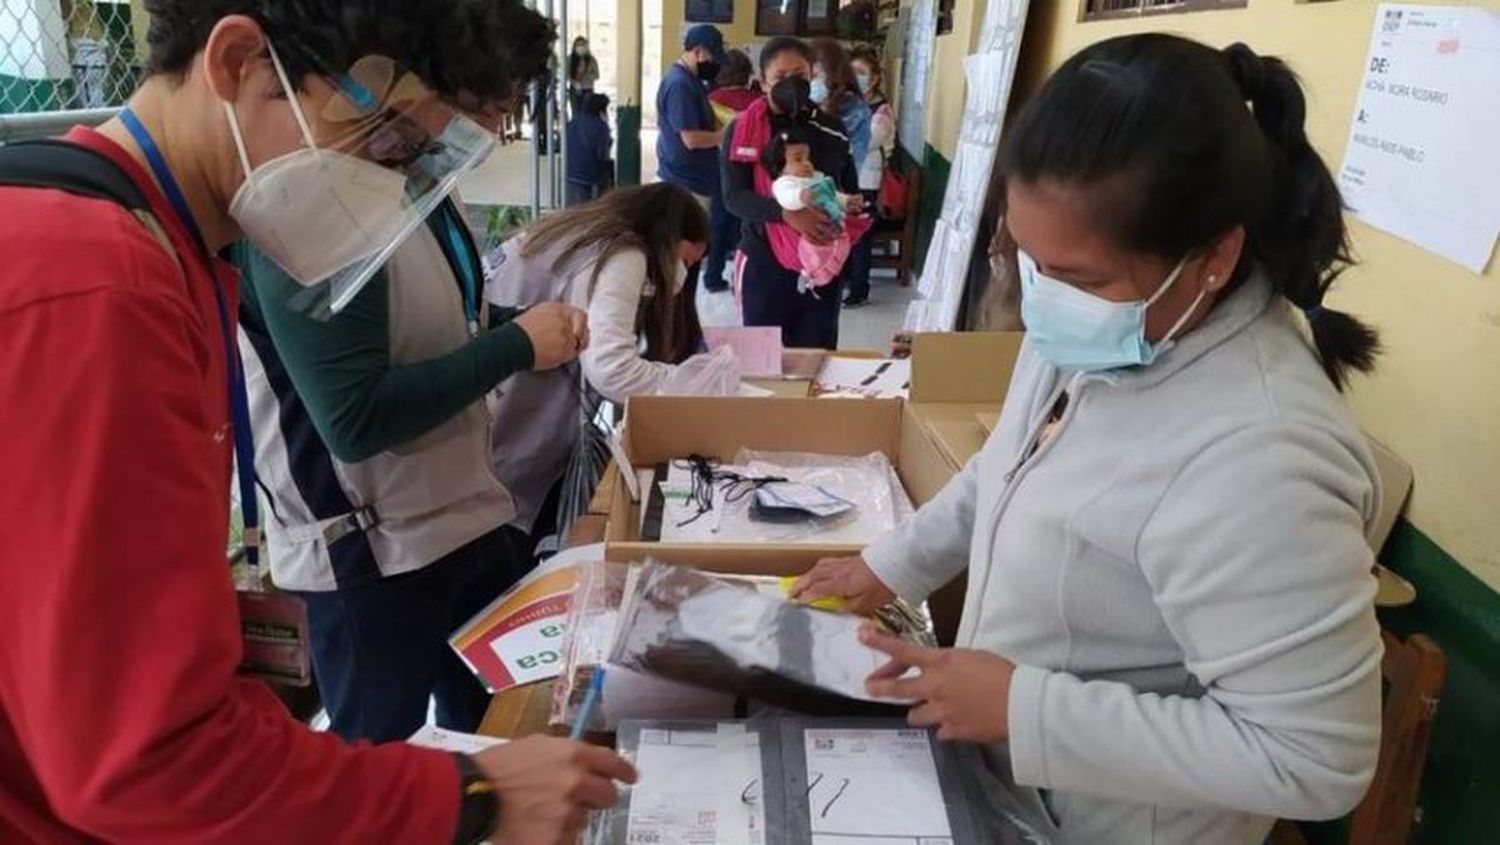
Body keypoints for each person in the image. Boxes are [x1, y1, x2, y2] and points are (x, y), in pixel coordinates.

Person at [0, 2, 633, 843]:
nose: (387, 182)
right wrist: (472, 795)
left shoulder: (150, 243)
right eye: (377, 137)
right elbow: (145, 759)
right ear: (238, 62)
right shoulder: (97, 284)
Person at [794, 34, 1384, 844]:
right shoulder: (1097, 328)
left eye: (1078, 278)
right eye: (1029, 260)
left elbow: (1317, 758)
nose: (1042, 299)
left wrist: (1023, 706)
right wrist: (888, 563)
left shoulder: (1264, 455)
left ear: (1213, 258)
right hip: (1007, 788)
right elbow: (1003, 469)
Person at [230, 2, 591, 745]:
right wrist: (516, 346)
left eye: (508, 105)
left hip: (456, 521)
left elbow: (429, 327)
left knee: (486, 735)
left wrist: (510, 328)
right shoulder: (308, 201)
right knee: (376, 761)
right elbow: (355, 416)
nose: (490, 128)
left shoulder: (412, 185)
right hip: (372, 557)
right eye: (481, 105)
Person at [485, 183, 710, 549]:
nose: (683, 278)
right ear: (667, 236)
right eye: (685, 262)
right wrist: (690, 380)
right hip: (510, 432)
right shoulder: (625, 254)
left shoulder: (575, 231)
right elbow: (611, 368)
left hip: (491, 415)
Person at [722, 36, 861, 349]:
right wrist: (786, 214)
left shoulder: (832, 128)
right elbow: (734, 197)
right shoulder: (742, 129)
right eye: (780, 78)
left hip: (821, 260)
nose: (791, 85)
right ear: (762, 82)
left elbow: (847, 185)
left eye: (799, 76)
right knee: (763, 361)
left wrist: (848, 207)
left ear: (813, 74)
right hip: (763, 262)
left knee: (818, 357)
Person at [657, 24, 725, 287]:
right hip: (687, 184)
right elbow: (692, 139)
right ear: (697, 52)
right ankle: (677, 320)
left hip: (695, 179)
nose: (714, 64)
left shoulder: (691, 81)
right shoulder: (680, 85)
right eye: (712, 57)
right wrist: (728, 135)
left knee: (690, 257)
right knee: (685, 258)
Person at [767, 126, 870, 289]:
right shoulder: (785, 182)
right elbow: (785, 197)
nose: (807, 163)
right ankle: (813, 273)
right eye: (798, 159)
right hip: (809, 230)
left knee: (840, 245)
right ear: (780, 167)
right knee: (815, 251)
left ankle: (831, 267)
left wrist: (846, 201)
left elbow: (831, 194)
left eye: (808, 158)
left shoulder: (816, 177)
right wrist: (801, 196)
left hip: (832, 224)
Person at [843, 45, 896, 308]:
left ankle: (859, 289)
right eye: (853, 72)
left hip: (867, 182)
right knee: (842, 232)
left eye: (863, 72)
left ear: (875, 77)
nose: (858, 77)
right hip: (845, 179)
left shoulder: (882, 110)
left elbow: (868, 140)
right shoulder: (847, 104)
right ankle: (843, 280)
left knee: (860, 237)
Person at [705, 47, 761, 292]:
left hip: (717, 168)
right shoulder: (758, 101)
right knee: (746, 224)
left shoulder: (709, 99)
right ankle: (744, 278)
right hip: (750, 169)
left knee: (717, 223)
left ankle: (713, 276)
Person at [567, 93, 614, 205]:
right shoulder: (601, 126)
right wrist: (609, 142)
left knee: (572, 210)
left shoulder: (573, 121)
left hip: (569, 172)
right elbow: (602, 155)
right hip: (588, 177)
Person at [568, 35, 600, 113]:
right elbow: (566, 75)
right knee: (576, 112)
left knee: (587, 113)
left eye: (583, 44)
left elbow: (597, 75)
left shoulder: (591, 60)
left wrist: (587, 76)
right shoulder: (570, 59)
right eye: (578, 45)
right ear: (574, 47)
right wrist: (574, 82)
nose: (581, 47)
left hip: (587, 90)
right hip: (575, 90)